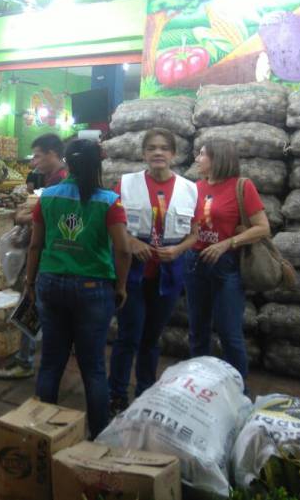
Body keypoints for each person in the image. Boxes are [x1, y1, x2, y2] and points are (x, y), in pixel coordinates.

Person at [28, 138, 131, 438]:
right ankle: (98, 437)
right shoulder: (109, 201)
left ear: (67, 163)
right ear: (98, 165)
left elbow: (36, 245)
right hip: (93, 288)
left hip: (50, 284)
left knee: (50, 364)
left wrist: (29, 283)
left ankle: (41, 435)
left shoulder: (48, 196)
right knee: (94, 369)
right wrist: (121, 286)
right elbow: (123, 250)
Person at [107, 129, 199, 416]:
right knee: (128, 336)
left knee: (151, 338)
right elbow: (114, 226)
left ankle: (145, 391)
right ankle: (116, 394)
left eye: (163, 148)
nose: (158, 153)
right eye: (151, 148)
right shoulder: (127, 183)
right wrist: (131, 242)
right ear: (144, 154)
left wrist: (179, 249)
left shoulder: (189, 188)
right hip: (132, 274)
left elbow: (195, 234)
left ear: (173, 154)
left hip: (168, 275)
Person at [184, 139, 270, 385]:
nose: (198, 159)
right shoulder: (195, 187)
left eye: (202, 154)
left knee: (229, 333)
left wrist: (227, 244)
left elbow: (263, 228)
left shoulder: (242, 187)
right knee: (197, 331)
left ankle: (237, 391)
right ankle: (197, 386)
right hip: (195, 263)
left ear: (217, 158)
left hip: (226, 266)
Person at [0, 133, 67, 380]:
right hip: (51, 254)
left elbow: (42, 218)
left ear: (52, 154)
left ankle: (25, 362)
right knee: (35, 306)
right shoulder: (53, 179)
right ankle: (32, 358)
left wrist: (24, 217)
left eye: (37, 155)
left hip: (47, 255)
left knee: (29, 303)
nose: (34, 161)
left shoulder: (60, 182)